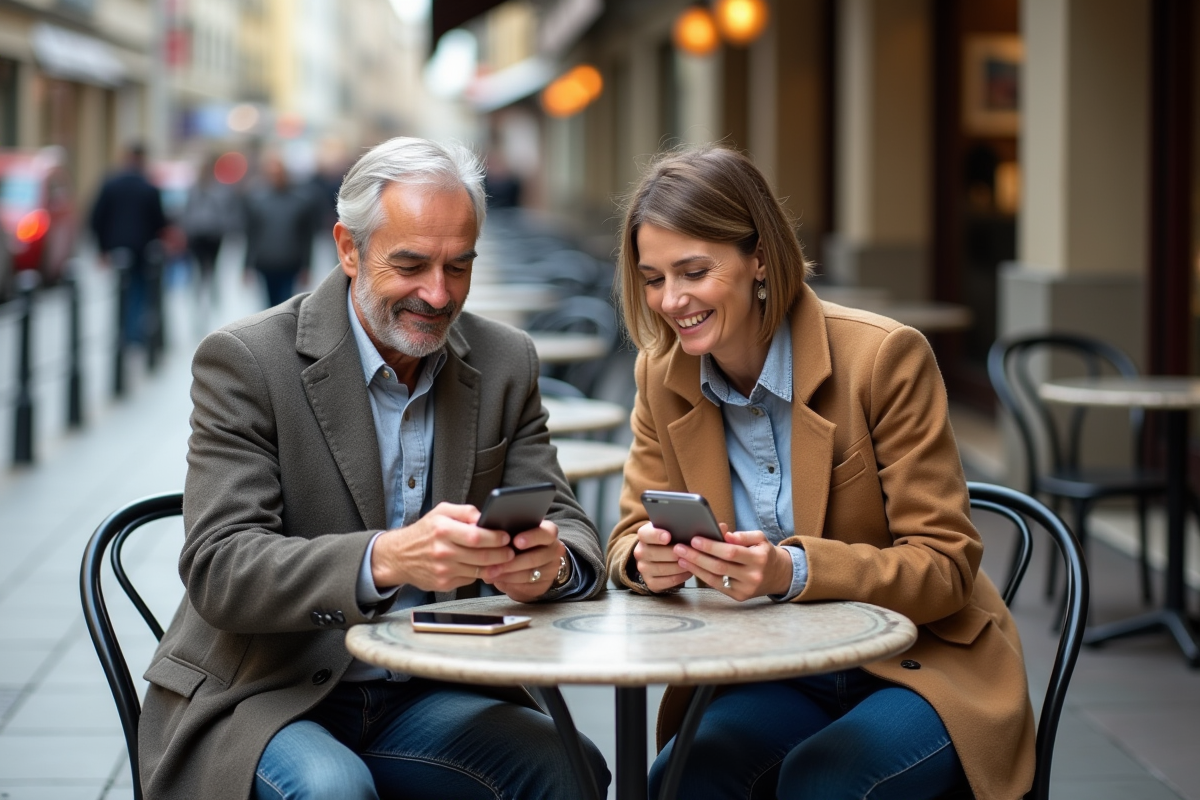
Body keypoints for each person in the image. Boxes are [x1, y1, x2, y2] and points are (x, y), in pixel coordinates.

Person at [137, 137, 611, 800]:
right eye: (411, 264)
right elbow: (221, 567)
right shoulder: (247, 361)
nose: (439, 294)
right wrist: (386, 559)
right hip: (265, 693)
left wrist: (552, 565)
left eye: (459, 266)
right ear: (349, 248)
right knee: (334, 790)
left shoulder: (506, 362)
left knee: (570, 765)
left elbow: (572, 527)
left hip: (429, 690)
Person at [607, 144, 1033, 800]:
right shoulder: (661, 377)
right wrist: (644, 560)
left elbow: (946, 567)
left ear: (757, 258)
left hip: (919, 663)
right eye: (654, 277)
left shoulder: (883, 358)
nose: (671, 300)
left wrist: (791, 571)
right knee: (681, 779)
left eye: (693, 271)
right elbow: (629, 533)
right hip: (773, 670)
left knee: (824, 782)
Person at [89, 141, 167, 345]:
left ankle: (125, 331)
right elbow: (159, 221)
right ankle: (132, 333)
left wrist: (102, 248)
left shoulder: (111, 184)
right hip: (141, 248)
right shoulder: (149, 187)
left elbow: (96, 217)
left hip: (116, 247)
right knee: (139, 290)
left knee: (123, 289)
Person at [242, 152, 319, 308]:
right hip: (265, 262)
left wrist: (307, 266)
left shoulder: (300, 202)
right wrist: (247, 265)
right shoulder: (257, 201)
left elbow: (307, 237)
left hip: (290, 262)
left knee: (285, 304)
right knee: (268, 304)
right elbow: (251, 235)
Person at [180, 153, 237, 310]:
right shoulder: (193, 189)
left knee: (213, 267)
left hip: (214, 234)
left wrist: (224, 227)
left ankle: (213, 297)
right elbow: (187, 211)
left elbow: (226, 210)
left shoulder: (220, 189)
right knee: (197, 269)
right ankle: (198, 297)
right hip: (197, 234)